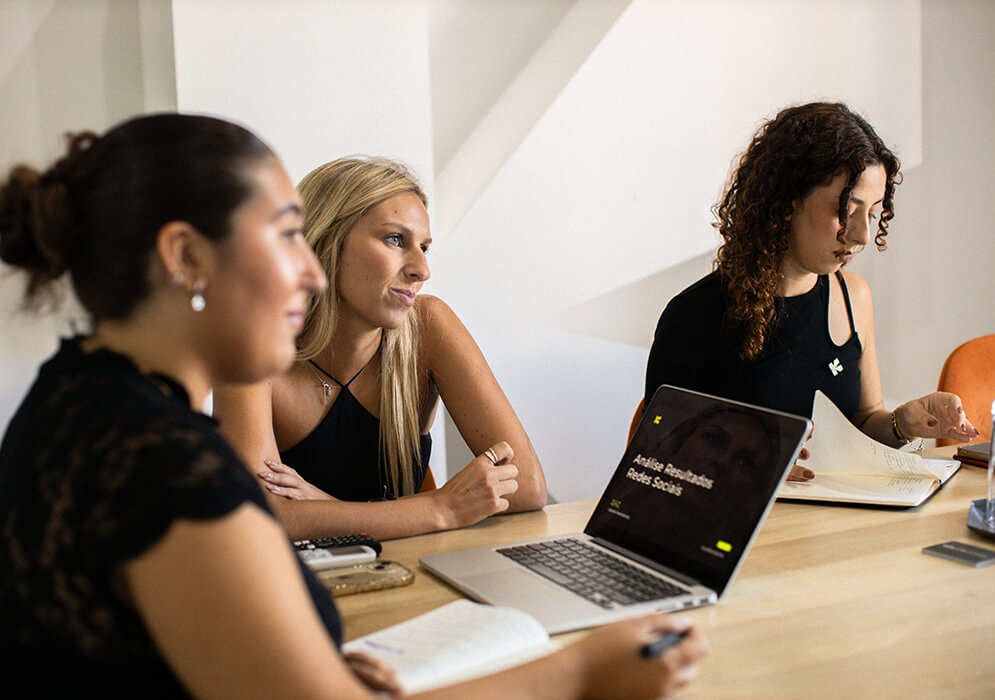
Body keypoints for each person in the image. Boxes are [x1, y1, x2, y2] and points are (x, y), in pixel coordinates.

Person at [0, 113, 706, 698]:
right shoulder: (160, 467)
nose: (308, 270)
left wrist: (309, 669)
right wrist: (580, 673)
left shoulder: (75, 399)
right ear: (185, 257)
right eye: (285, 235)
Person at [213, 156, 547, 540]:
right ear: (325, 241)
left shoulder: (429, 326)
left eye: (424, 246)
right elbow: (260, 518)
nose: (422, 269)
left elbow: (527, 485)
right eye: (395, 240)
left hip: (412, 581)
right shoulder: (249, 347)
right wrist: (439, 509)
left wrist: (324, 510)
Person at [644, 102, 978, 480]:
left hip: (831, 525)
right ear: (787, 201)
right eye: (846, 211)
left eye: (872, 214)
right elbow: (657, 457)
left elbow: (864, 423)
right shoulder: (694, 315)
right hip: (739, 531)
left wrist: (904, 423)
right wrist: (750, 473)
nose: (862, 236)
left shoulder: (854, 298)